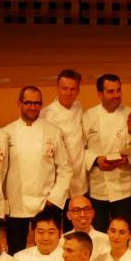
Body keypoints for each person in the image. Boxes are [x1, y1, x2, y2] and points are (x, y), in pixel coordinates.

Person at [3, 85, 72, 253]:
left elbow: (65, 168)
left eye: (37, 103)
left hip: (46, 203)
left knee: (50, 251)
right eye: (28, 103)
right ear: (19, 103)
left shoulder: (53, 132)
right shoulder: (6, 133)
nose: (33, 107)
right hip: (16, 205)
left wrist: (54, 199)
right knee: (16, 252)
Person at [83, 73, 131, 231]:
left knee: (122, 232)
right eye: (111, 91)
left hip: (123, 186)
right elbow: (81, 148)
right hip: (97, 187)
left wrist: (127, 158)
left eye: (118, 90)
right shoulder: (88, 116)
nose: (116, 95)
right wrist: (96, 160)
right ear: (100, 94)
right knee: (98, 233)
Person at [40, 69, 89, 202]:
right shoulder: (45, 114)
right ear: (57, 88)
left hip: (79, 179)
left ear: (78, 90)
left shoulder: (79, 107)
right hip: (57, 180)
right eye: (64, 88)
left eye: (73, 89)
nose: (68, 93)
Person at [65, 195, 110, 261]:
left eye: (86, 209)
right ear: (69, 215)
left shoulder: (105, 240)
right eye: (77, 210)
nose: (82, 214)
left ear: (93, 213)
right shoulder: (63, 240)